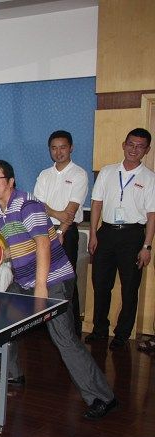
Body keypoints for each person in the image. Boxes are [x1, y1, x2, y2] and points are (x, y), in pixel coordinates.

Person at [0, 160, 117, 420]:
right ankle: (12, 373)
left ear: (10, 181)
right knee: (2, 321)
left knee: (64, 339)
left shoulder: (27, 205)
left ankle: (103, 397)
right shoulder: (0, 214)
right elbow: (20, 246)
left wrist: (41, 287)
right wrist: (2, 255)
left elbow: (43, 243)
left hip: (52, 280)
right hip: (24, 282)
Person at [86, 128, 155, 349]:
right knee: (100, 284)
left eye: (140, 146)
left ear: (147, 150)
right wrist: (93, 233)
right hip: (106, 233)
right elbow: (97, 203)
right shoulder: (107, 172)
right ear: (123, 145)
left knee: (129, 288)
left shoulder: (150, 178)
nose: (134, 149)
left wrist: (147, 246)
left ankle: (122, 335)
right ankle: (99, 329)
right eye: (131, 144)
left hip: (133, 236)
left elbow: (152, 215)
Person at [33, 130, 88, 332]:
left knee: (66, 280)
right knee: (43, 277)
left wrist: (60, 232)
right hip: (43, 230)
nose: (58, 152)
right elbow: (37, 205)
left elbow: (71, 211)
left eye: (63, 147)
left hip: (66, 233)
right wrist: (57, 213)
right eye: (54, 148)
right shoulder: (44, 174)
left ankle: (70, 328)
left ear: (71, 148)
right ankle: (44, 325)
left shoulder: (79, 174)